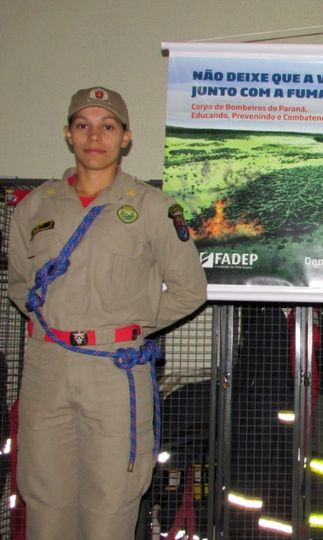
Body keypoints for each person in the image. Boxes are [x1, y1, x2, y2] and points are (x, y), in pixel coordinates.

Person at [7, 86, 208, 539]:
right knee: (44, 496)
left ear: (125, 138)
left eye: (107, 126)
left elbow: (189, 289)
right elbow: (20, 283)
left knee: (112, 497)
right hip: (47, 368)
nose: (94, 136)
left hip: (115, 371)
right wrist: (58, 328)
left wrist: (127, 328)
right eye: (83, 125)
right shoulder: (34, 207)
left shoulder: (152, 208)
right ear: (68, 134)